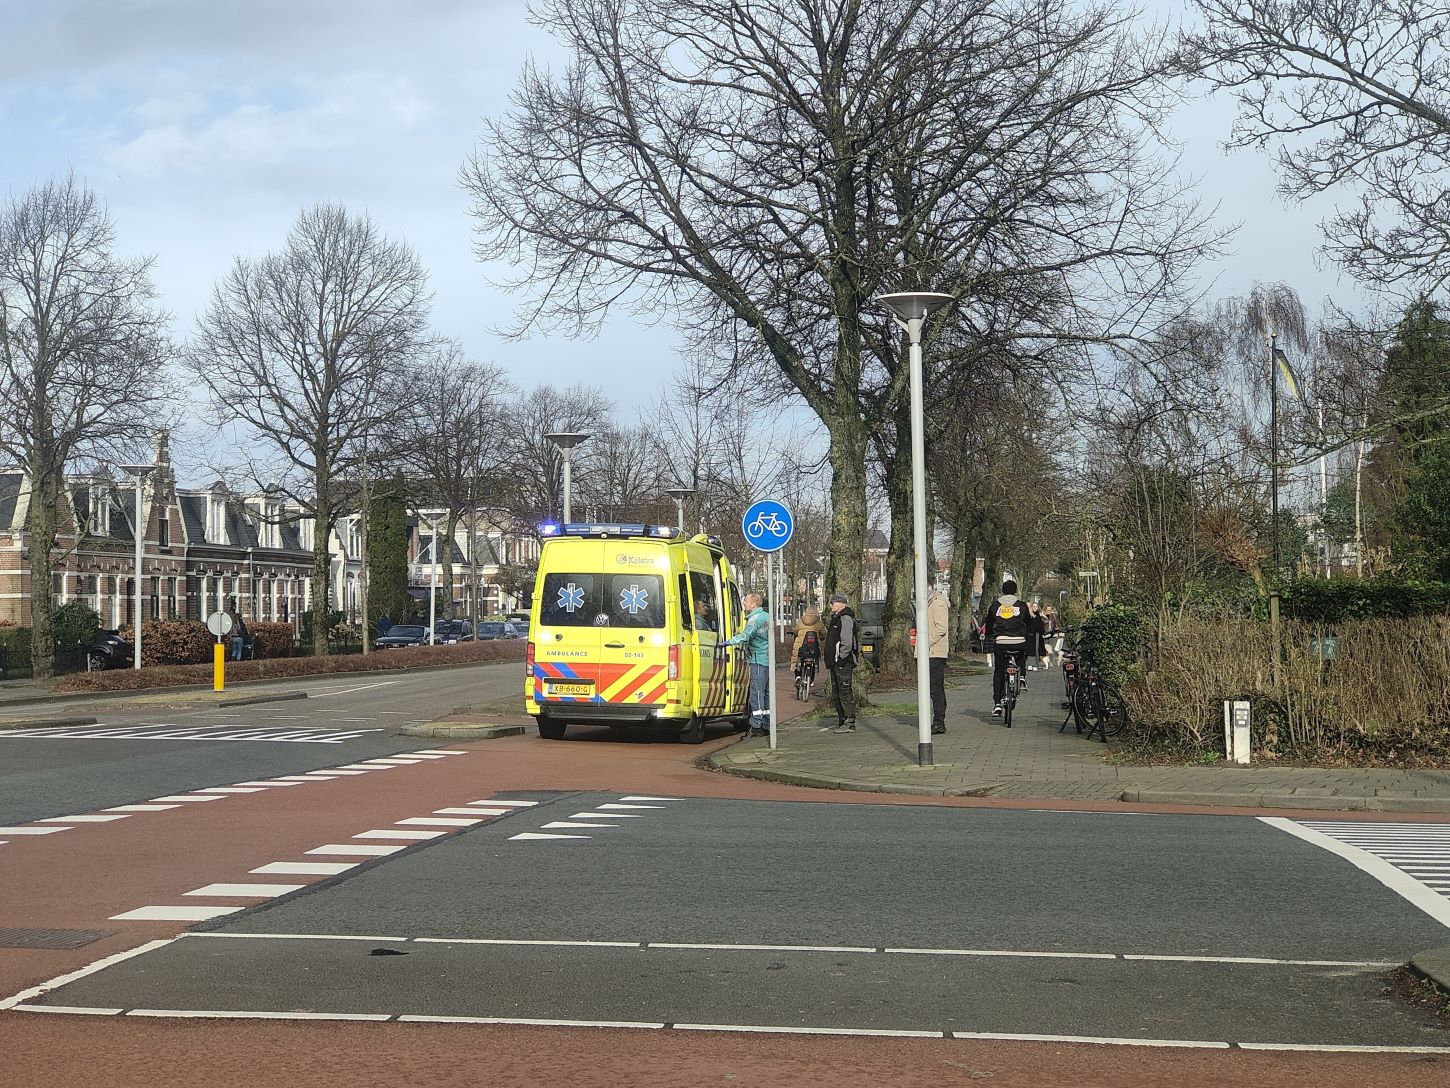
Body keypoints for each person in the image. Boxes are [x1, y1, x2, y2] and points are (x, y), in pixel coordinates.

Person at [984, 579, 1039, 723]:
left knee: (999, 671)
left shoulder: (995, 606)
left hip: (1001, 642)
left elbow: (989, 624)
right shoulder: (1021, 605)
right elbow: (1028, 622)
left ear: (1002, 590)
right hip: (1019, 641)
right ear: (1015, 591)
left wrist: (991, 634)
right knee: (1021, 655)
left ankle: (997, 704)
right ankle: (1021, 678)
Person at [725, 591, 771, 736]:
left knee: (756, 694)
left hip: (757, 660)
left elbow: (746, 636)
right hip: (768, 659)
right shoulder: (766, 616)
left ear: (753, 603)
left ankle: (755, 726)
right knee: (766, 694)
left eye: (746, 601)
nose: (743, 603)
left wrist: (728, 642)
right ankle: (766, 724)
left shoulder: (754, 619)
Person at [824, 593, 859, 733]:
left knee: (844, 691)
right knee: (836, 692)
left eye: (833, 603)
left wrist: (841, 658)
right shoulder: (836, 618)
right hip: (835, 662)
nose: (831, 605)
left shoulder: (845, 618)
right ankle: (842, 719)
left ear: (840, 603)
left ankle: (849, 722)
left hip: (843, 662)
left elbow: (846, 641)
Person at [925, 575, 949, 735]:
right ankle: (934, 719)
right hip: (928, 652)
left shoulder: (937, 603)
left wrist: (925, 643)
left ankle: (939, 721)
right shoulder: (927, 603)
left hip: (935, 652)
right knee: (930, 688)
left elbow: (941, 628)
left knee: (935, 688)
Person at [791, 606, 826, 694]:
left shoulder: (800, 621)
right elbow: (823, 633)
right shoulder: (819, 622)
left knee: (797, 661)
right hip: (813, 648)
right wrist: (821, 637)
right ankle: (811, 679)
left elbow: (795, 631)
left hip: (800, 647)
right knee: (814, 660)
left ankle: (798, 677)